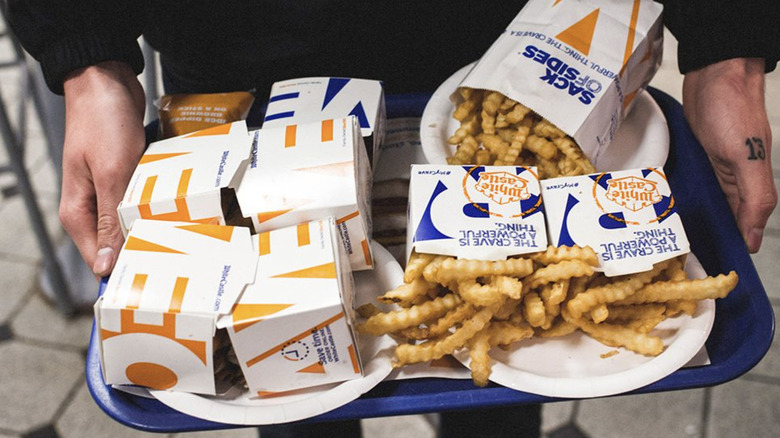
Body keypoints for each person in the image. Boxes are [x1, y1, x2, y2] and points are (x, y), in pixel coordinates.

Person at [5, 1, 779, 438]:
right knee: (292, 383)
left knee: (500, 401)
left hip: (500, 50)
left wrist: (731, 49)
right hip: (237, 58)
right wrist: (89, 61)